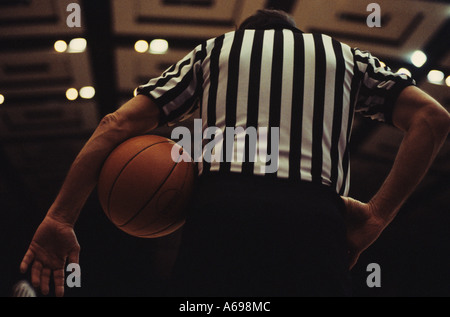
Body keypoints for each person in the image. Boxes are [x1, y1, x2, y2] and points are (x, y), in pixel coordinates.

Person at [20, 9, 449, 297]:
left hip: (222, 213)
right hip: (315, 218)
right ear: (295, 35)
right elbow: (432, 120)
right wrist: (376, 217)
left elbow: (116, 124)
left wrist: (60, 217)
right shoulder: (347, 57)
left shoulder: (215, 50)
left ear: (243, 37)